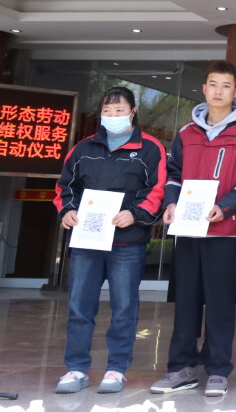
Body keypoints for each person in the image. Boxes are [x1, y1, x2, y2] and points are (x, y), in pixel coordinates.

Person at [152, 60, 236, 398]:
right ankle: (181, 367)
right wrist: (170, 203)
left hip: (223, 231)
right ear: (204, 89)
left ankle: (218, 369)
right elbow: (173, 174)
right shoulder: (186, 132)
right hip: (187, 228)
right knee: (186, 300)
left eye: (226, 86)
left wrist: (225, 207)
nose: (218, 91)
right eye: (213, 84)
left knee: (219, 302)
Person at [53, 87, 167, 394]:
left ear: (133, 112)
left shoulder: (150, 148)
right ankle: (76, 369)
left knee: (124, 308)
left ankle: (116, 369)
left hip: (126, 243)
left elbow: (157, 191)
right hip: (87, 241)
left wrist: (135, 214)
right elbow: (65, 187)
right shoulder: (83, 148)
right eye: (107, 110)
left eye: (119, 110)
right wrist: (68, 211)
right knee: (79, 307)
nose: (113, 115)